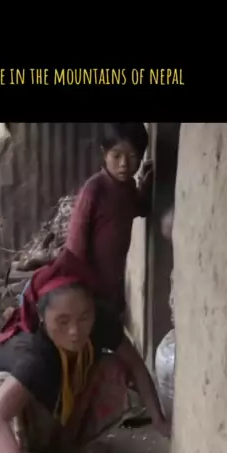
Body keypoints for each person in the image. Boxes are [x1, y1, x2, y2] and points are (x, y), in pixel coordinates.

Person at [0, 249, 170, 453]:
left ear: (93, 309)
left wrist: (158, 418)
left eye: (84, 317)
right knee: (3, 393)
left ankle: (69, 443)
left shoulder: (101, 320)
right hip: (6, 387)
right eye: (63, 321)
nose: (76, 331)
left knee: (112, 368)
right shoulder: (36, 355)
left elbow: (134, 365)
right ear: (42, 318)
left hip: (51, 380)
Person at [65, 122, 153, 320]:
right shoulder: (94, 190)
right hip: (90, 287)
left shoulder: (127, 188)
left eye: (133, 156)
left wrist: (147, 187)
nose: (124, 164)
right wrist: (77, 289)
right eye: (117, 156)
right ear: (104, 154)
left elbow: (139, 208)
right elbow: (75, 246)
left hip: (113, 286)